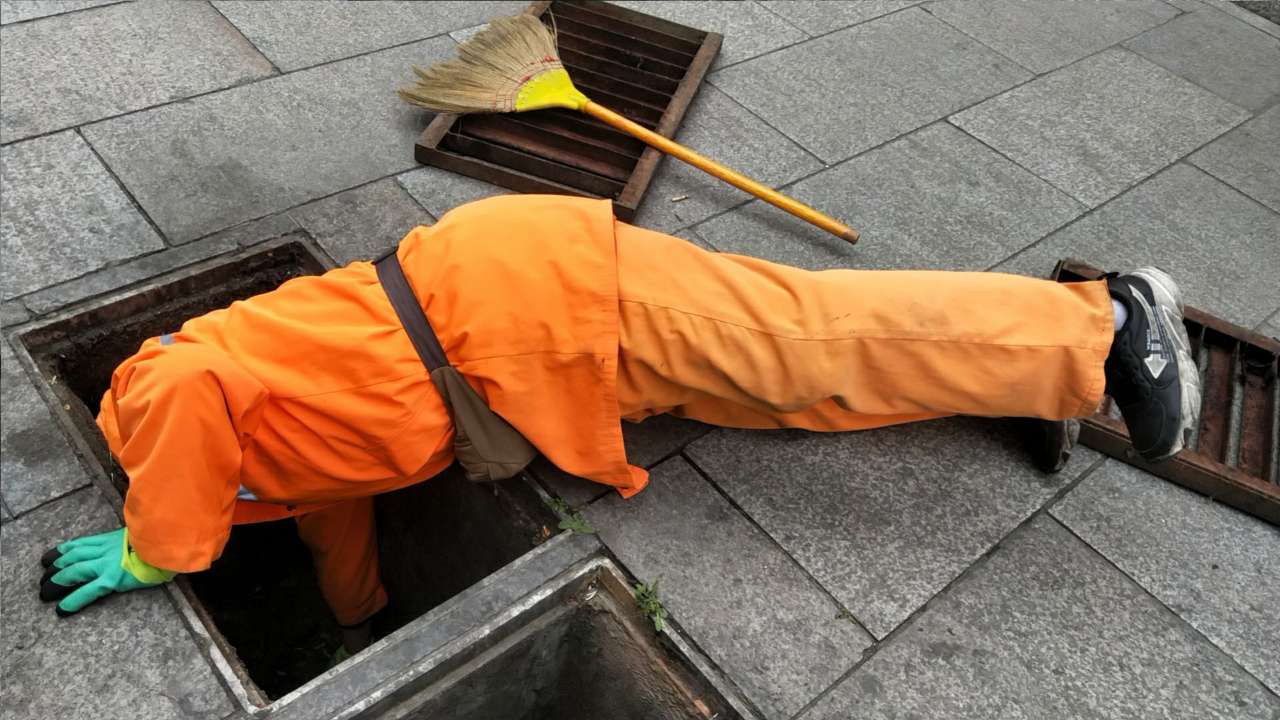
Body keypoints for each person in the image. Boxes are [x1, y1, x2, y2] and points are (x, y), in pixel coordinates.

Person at [37, 194, 1200, 654]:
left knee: (807, 339)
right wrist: (360, 624)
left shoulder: (152, 406)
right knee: (794, 391)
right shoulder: (249, 456)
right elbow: (331, 508)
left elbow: (184, 395)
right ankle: (1045, 369)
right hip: (526, 344)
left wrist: (160, 547)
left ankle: (1107, 324)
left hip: (530, 306)